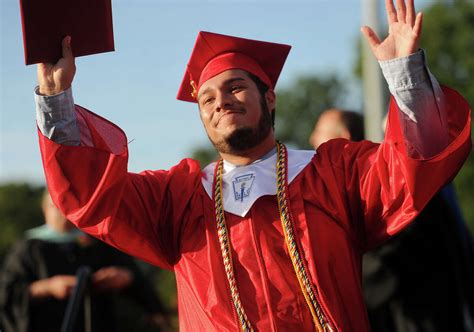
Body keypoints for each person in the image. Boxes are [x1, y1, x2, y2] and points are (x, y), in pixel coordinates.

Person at [32, 0, 471, 330]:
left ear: (271, 97)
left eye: (236, 87)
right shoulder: (175, 197)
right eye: (206, 98)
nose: (220, 101)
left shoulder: (334, 173)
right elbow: (90, 197)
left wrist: (405, 73)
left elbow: (414, 164)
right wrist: (56, 103)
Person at [310, 109, 474, 331]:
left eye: (320, 132)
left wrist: (328, 286)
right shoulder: (347, 190)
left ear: (344, 137)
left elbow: (384, 264)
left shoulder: (390, 185)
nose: (312, 139)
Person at [0, 190, 171, 332]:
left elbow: (135, 277)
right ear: (45, 209)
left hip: (98, 323)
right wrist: (48, 287)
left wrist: (123, 277)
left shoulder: (98, 242)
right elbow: (7, 293)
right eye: (56, 207)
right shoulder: (28, 248)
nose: (63, 214)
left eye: (68, 207)